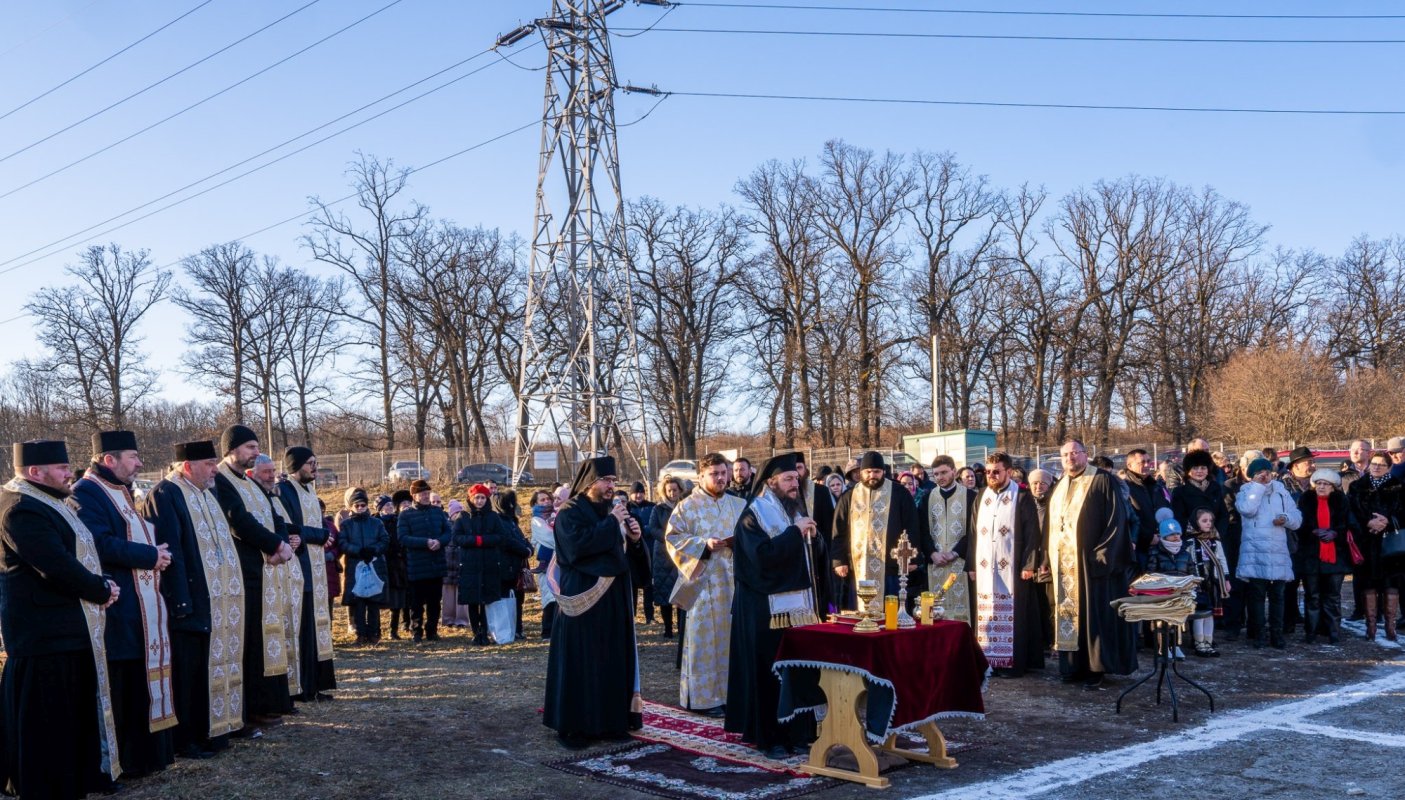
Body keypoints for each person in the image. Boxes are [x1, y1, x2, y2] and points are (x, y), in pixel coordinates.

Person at [0, 441, 123, 798]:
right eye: (61, 467)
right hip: (43, 636)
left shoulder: (49, 500)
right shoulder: (20, 508)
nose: (70, 472)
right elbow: (55, 565)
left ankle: (75, 779)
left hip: (69, 631)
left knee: (70, 718)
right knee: (47, 724)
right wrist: (101, 590)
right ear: (34, 472)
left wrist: (101, 586)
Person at [73, 431, 176, 778]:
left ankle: (142, 757)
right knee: (121, 686)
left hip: (139, 610)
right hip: (116, 609)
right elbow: (98, 543)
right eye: (133, 457)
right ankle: (124, 761)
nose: (140, 463)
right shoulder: (87, 493)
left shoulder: (120, 491)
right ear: (109, 460)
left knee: (136, 683)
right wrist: (151, 556)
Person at [725, 452, 827, 759]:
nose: (795, 484)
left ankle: (799, 733)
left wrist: (814, 537)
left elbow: (810, 554)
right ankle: (770, 738)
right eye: (788, 479)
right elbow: (761, 559)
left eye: (797, 478)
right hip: (763, 610)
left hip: (798, 609)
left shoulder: (794, 509)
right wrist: (795, 533)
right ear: (771, 482)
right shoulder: (752, 515)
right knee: (772, 674)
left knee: (798, 668)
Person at [543, 456, 642, 748]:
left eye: (613, 480)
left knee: (613, 659)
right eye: (606, 480)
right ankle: (574, 727)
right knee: (581, 661)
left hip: (615, 599)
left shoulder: (613, 511)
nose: (611, 485)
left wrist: (635, 540)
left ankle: (612, 723)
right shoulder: (570, 512)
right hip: (584, 597)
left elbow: (624, 555)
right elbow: (576, 549)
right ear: (589, 482)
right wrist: (613, 523)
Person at [212, 425, 296, 725]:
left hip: (266, 568)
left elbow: (275, 515)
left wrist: (282, 542)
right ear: (231, 449)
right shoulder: (220, 480)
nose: (255, 452)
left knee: (265, 638)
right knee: (250, 640)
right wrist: (274, 544)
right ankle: (251, 708)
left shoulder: (248, 482)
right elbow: (238, 520)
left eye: (256, 447)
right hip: (244, 570)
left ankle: (269, 701)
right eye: (249, 447)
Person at [1045, 440, 1137, 688]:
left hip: (1091, 564)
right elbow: (1050, 525)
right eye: (1065, 454)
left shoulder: (1102, 480)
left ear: (1086, 455)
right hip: (1063, 563)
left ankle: (1095, 668)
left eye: (1075, 453)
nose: (1070, 458)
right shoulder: (1060, 484)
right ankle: (1071, 666)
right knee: (1068, 615)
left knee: (1092, 616)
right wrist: (1046, 557)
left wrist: (1102, 555)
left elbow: (1116, 520)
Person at [665, 453, 746, 714]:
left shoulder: (738, 504)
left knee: (733, 640)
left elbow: (752, 536)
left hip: (734, 581)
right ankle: (703, 699)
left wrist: (738, 543)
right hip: (703, 583)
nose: (721, 478)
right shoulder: (686, 507)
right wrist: (703, 545)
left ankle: (732, 694)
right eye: (715, 474)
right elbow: (673, 538)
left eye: (724, 473)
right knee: (703, 642)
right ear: (701, 476)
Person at [967, 453, 1044, 678]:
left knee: (1014, 615)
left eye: (996, 471)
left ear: (1008, 472)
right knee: (986, 611)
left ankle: (1013, 664)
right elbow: (972, 532)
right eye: (988, 472)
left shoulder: (1021, 496)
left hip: (1013, 567)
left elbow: (1033, 534)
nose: (991, 475)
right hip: (983, 568)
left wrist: (1029, 564)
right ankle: (988, 660)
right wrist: (971, 564)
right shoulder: (981, 495)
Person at [276, 446, 336, 702]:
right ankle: (299, 686)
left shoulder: (309, 490)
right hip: (297, 570)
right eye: (310, 463)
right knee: (300, 630)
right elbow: (292, 529)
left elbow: (309, 529)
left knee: (314, 629)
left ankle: (314, 685)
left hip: (316, 570)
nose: (315, 467)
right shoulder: (284, 491)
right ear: (295, 465)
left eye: (316, 462)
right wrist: (322, 536)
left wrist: (315, 534)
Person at [832, 451, 927, 611]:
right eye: (867, 472)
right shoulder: (848, 496)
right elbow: (839, 531)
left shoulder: (899, 493)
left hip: (890, 567)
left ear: (883, 471)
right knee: (859, 614)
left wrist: (912, 558)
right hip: (858, 566)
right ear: (860, 472)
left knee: (891, 614)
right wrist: (839, 561)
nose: (872, 476)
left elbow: (912, 526)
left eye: (876, 472)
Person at [249, 455, 306, 701]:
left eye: (273, 471)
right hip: (262, 571)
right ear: (252, 474)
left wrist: (291, 541)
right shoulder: (249, 494)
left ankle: (287, 691)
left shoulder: (272, 496)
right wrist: (276, 545)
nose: (272, 476)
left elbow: (281, 524)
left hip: (282, 569)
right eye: (265, 472)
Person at [1235, 458, 1301, 650]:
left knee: (1278, 596)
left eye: (1267, 471)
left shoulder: (1281, 491)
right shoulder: (1246, 492)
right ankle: (1259, 634)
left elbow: (1297, 519)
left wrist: (1286, 518)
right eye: (1259, 473)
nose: (1265, 475)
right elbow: (1247, 510)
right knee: (1256, 595)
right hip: (1255, 550)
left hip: (1278, 550)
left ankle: (1277, 633)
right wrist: (1258, 486)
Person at [1348, 451, 1403, 641]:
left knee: (1391, 584)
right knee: (1368, 583)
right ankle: (1370, 625)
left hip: (1391, 543)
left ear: (1389, 467)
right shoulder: (1357, 486)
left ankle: (1390, 625)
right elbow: (1352, 512)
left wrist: (1389, 520)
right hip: (1366, 541)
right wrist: (1367, 523)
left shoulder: (1399, 486)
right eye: (1374, 464)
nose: (1377, 467)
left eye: (1381, 464)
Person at [916, 454, 975, 626]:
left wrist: (955, 552)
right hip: (935, 564)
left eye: (944, 473)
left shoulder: (970, 496)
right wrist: (932, 553)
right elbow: (922, 530)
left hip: (961, 563)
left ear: (954, 471)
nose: (940, 477)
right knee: (934, 616)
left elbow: (974, 531)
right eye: (936, 474)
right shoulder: (927, 498)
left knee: (963, 614)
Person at [1296, 469, 1353, 644]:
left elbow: (1350, 525)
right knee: (1312, 595)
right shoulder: (1306, 500)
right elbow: (1298, 525)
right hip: (1311, 556)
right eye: (1318, 483)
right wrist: (1312, 530)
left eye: (1325, 484)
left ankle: (1334, 632)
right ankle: (1311, 631)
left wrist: (1335, 533)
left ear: (1333, 487)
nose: (1321, 486)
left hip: (1336, 556)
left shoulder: (1342, 501)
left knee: (1333, 596)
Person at [396, 479, 451, 643]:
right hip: (417, 565)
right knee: (416, 602)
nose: (426, 496)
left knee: (435, 601)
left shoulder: (438, 512)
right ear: (414, 496)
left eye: (427, 493)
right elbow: (403, 538)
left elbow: (448, 532)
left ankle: (432, 630)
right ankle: (416, 631)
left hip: (436, 563)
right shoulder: (406, 515)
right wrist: (425, 542)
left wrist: (440, 542)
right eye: (422, 494)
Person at [1220, 450, 1262, 642]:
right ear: (1243, 468)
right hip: (1236, 539)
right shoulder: (1229, 486)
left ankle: (1256, 625)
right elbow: (1230, 513)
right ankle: (1233, 625)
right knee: (1236, 585)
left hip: (1259, 540)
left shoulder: (1267, 486)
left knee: (1256, 586)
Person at [338, 487, 389, 644]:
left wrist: (374, 550)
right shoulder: (346, 524)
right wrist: (358, 551)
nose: (360, 508)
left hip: (373, 565)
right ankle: (360, 633)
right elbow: (342, 543)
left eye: (363, 505)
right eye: (357, 505)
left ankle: (374, 633)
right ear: (351, 507)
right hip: (355, 565)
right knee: (358, 602)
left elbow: (385, 540)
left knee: (373, 601)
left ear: (367, 506)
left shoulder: (376, 522)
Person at [1183, 508, 1231, 657]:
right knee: (1199, 613)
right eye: (1204, 521)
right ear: (1195, 523)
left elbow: (1222, 560)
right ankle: (1199, 642)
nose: (1208, 523)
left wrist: (1226, 579)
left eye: (1210, 521)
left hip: (1213, 581)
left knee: (1210, 613)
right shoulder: (1190, 542)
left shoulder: (1215, 541)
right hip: (1197, 582)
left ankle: (1208, 642)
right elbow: (1187, 562)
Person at [1278, 446, 1316, 635]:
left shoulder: (1317, 482)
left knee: (1311, 583)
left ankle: (1312, 622)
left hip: (1312, 538)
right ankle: (1289, 620)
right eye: (1308, 462)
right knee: (1289, 584)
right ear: (1295, 465)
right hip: (1289, 539)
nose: (1312, 465)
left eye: (1311, 461)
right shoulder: (1282, 484)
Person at [492, 489, 533, 638]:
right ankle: (508, 630)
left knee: (518, 600)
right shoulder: (499, 521)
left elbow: (523, 539)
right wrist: (526, 550)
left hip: (516, 567)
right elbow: (508, 542)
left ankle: (517, 629)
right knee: (506, 600)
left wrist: (529, 548)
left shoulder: (512, 521)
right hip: (505, 567)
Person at [646, 477, 684, 640]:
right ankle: (668, 628)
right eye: (669, 490)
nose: (672, 493)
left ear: (680, 490)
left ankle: (682, 627)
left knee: (682, 591)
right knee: (664, 592)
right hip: (663, 554)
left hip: (683, 552)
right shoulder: (658, 509)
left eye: (675, 490)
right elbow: (653, 528)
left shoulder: (685, 507)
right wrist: (669, 539)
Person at [1120, 448, 1168, 572]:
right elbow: (1128, 519)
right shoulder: (1125, 488)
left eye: (1148, 461)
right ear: (1129, 465)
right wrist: (1147, 537)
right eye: (1141, 462)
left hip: (1161, 543)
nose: (1147, 465)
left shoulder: (1155, 486)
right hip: (1140, 549)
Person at [529, 490, 559, 639]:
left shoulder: (556, 515)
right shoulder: (536, 520)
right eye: (542, 500)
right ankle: (547, 631)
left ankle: (558, 629)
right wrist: (562, 538)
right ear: (535, 503)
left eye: (548, 499)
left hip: (559, 562)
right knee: (549, 597)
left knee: (559, 596)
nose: (546, 502)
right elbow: (550, 537)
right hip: (546, 565)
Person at [626, 482, 656, 624]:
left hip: (648, 551)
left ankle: (649, 616)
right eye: (635, 492)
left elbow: (654, 526)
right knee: (632, 587)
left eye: (641, 492)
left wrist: (642, 530)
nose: (638, 495)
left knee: (648, 585)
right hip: (632, 554)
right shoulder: (628, 508)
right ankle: (632, 615)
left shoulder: (652, 507)